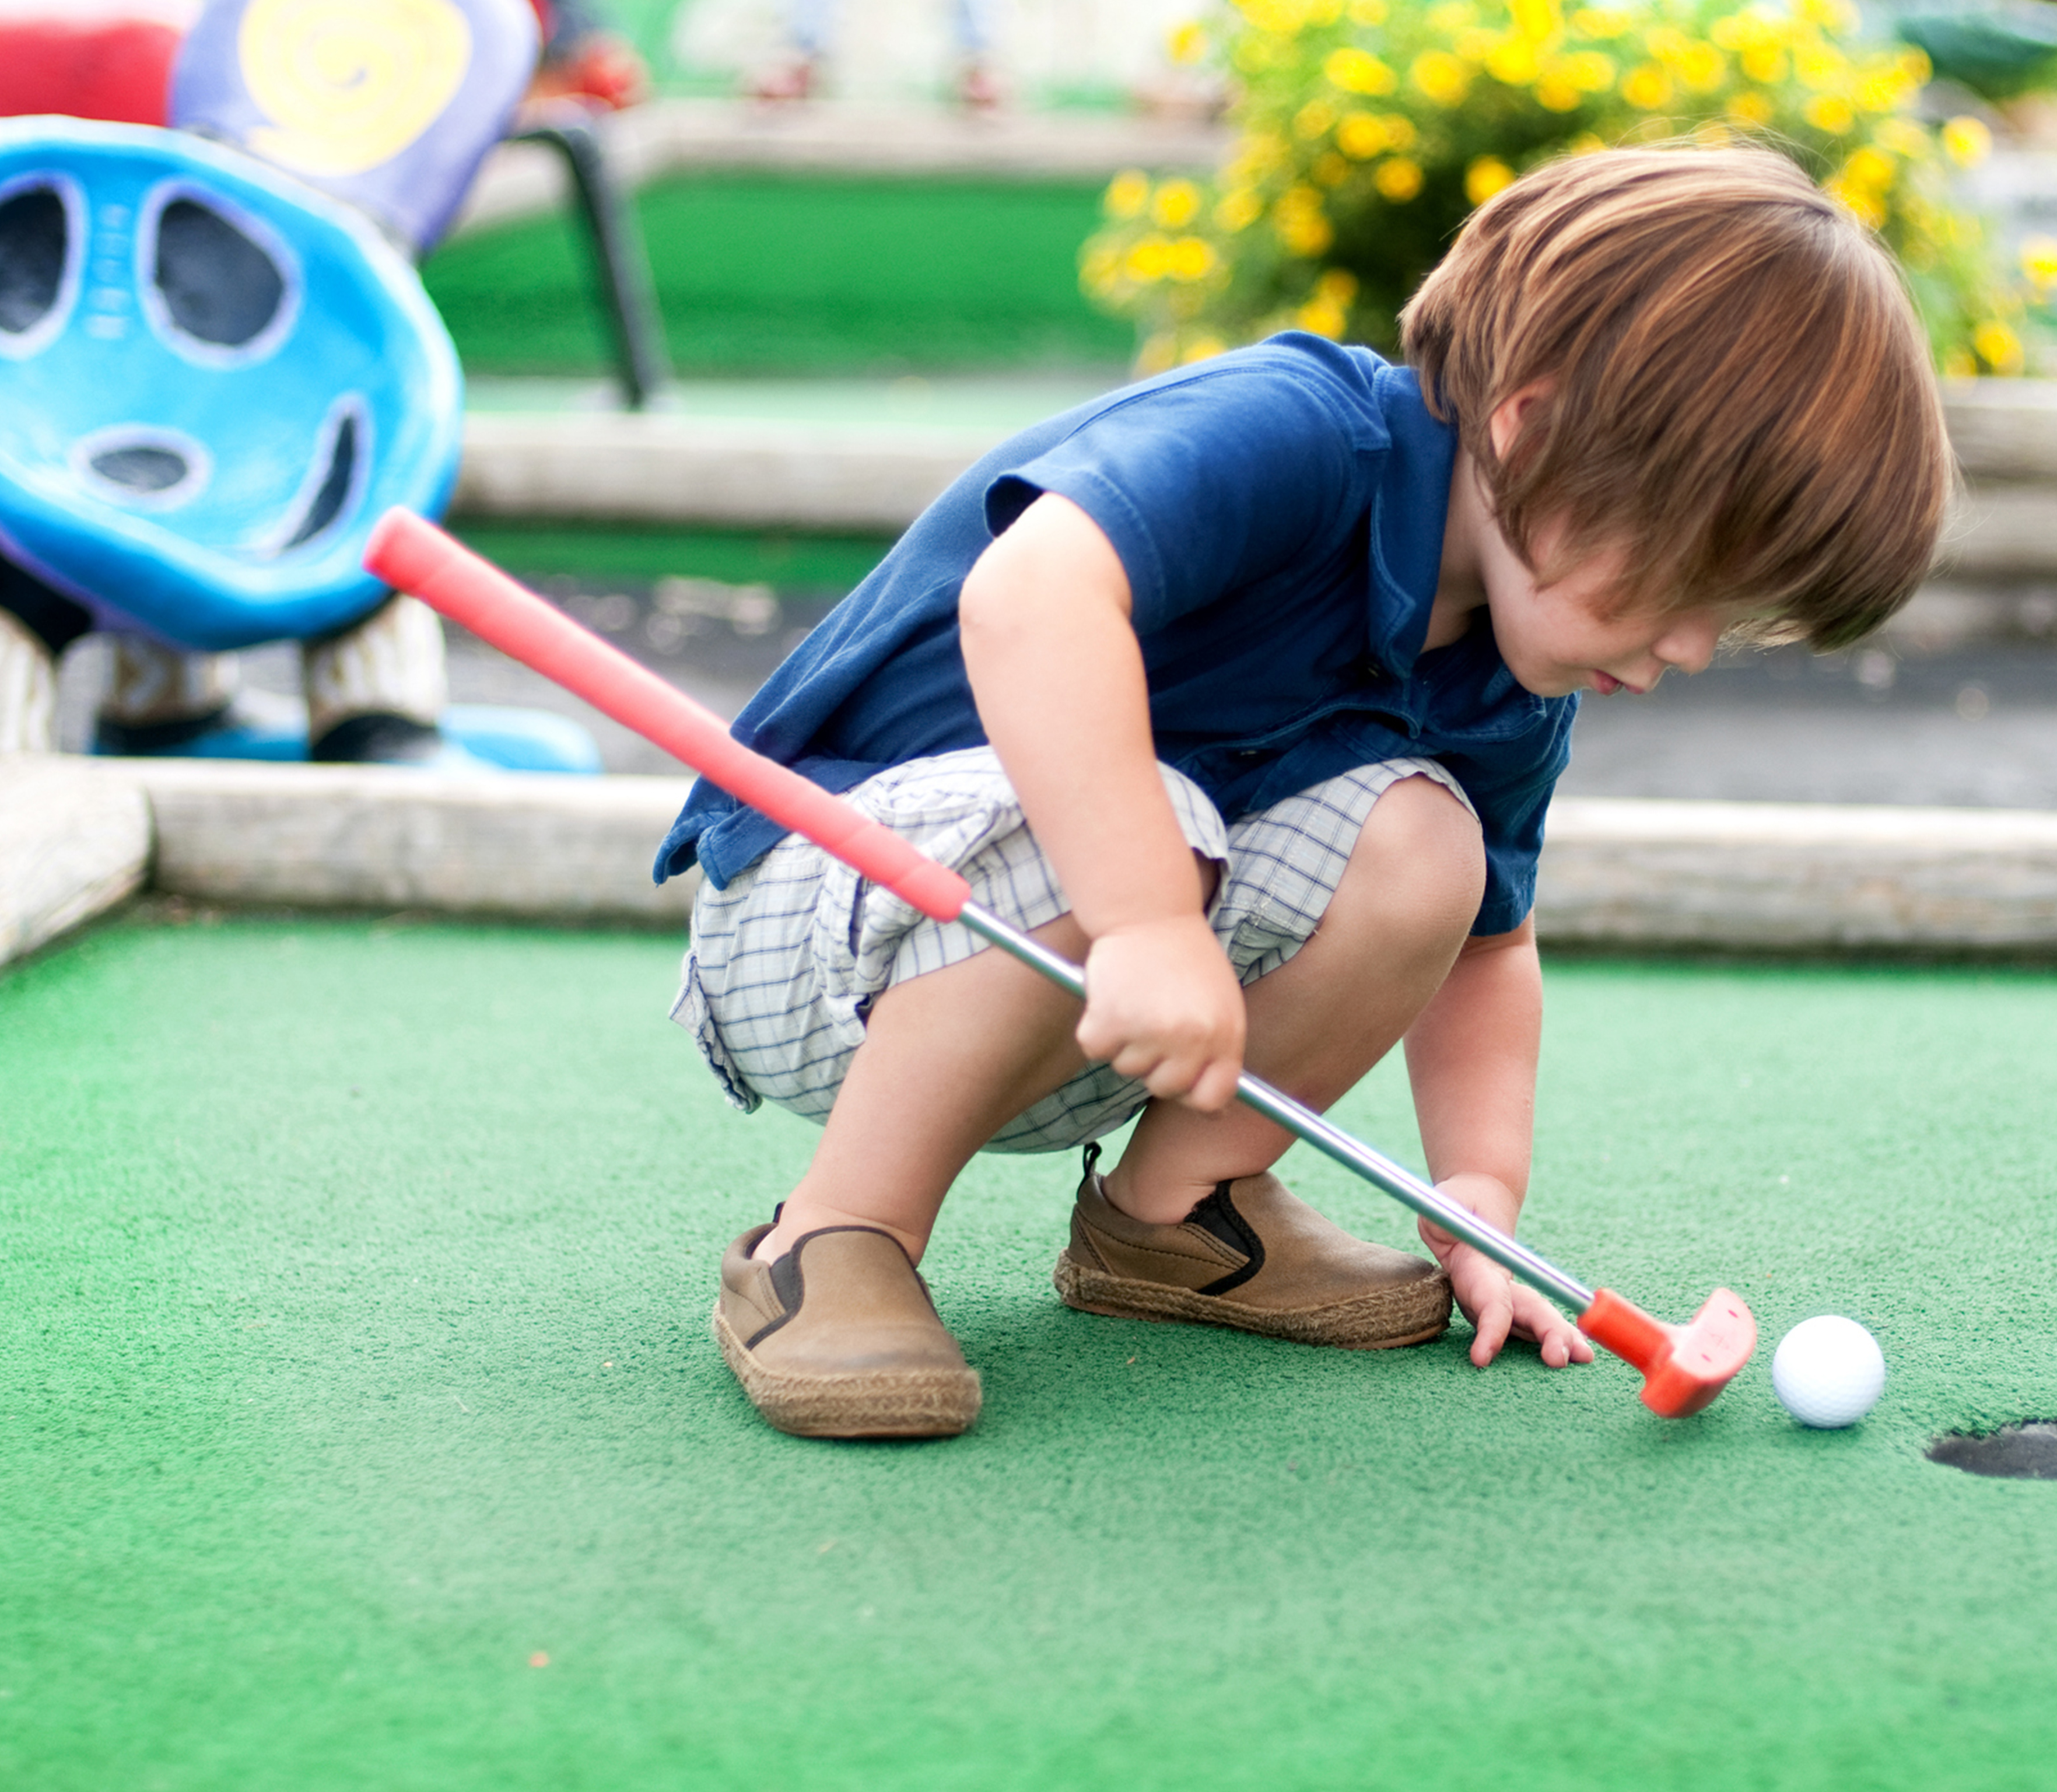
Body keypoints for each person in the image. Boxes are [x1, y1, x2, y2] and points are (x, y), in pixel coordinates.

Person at [658, 142, 1953, 1439]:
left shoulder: (1509, 685)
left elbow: (1486, 955)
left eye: (1726, 623)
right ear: (1533, 429)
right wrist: (1150, 923)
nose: (1683, 650)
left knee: (1426, 846)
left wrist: (1479, 1203)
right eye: (1686, 585)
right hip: (816, 920)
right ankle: (834, 1236)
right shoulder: (1295, 431)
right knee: (1144, 822)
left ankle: (1173, 1219)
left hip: (1094, 994)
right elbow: (1029, 598)